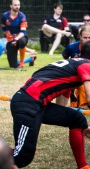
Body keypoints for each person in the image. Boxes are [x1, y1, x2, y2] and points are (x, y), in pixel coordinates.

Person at [10, 40, 90, 169]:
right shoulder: (87, 65)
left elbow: (62, 107)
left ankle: (83, 166)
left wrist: (83, 128)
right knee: (22, 158)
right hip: (28, 103)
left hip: (36, 103)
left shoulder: (74, 64)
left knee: (77, 119)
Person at [60, 25, 90, 108]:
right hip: (75, 74)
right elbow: (65, 58)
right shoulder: (71, 47)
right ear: (80, 37)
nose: (88, 40)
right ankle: (74, 104)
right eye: (85, 37)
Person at [1, 0, 28, 70]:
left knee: (22, 42)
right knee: (12, 65)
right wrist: (7, 34)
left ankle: (22, 63)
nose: (17, 7)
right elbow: (3, 27)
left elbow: (23, 32)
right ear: (11, 6)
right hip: (11, 40)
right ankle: (30, 59)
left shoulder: (22, 16)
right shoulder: (4, 16)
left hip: (20, 37)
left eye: (18, 5)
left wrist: (16, 39)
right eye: (15, 5)